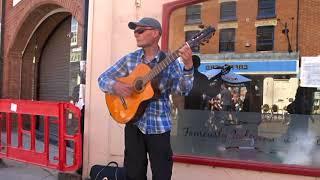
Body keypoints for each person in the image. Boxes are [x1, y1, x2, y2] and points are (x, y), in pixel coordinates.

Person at [98, 17, 194, 180]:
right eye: (135, 31)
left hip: (159, 127)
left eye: (140, 30)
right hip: (134, 125)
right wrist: (116, 87)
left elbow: (183, 90)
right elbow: (102, 78)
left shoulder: (169, 61)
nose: (136, 34)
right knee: (133, 175)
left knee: (162, 175)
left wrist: (188, 66)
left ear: (156, 33)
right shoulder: (130, 59)